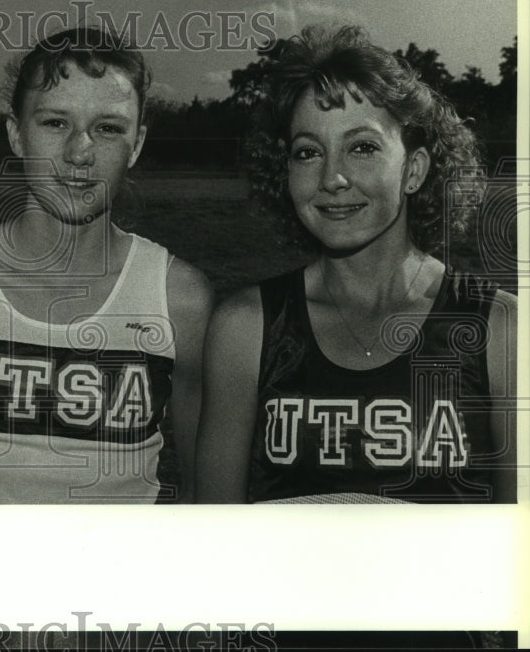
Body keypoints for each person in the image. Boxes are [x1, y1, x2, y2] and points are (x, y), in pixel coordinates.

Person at [195, 25, 517, 503]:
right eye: (308, 153)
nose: (332, 177)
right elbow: (211, 544)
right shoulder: (246, 328)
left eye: (362, 147)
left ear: (414, 170)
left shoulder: (501, 330)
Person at [0, 26, 214, 503]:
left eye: (107, 128)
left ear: (138, 144)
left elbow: (203, 500)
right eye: (55, 123)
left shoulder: (179, 299)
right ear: (16, 134)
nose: (78, 153)